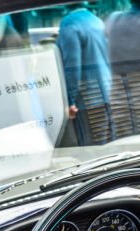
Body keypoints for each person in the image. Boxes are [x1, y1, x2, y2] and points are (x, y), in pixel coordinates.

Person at [56, 4, 112, 144]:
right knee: (106, 146)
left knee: (91, 150)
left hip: (88, 100)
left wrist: (70, 100)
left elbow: (72, 66)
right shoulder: (96, 20)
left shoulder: (70, 23)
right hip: (107, 92)